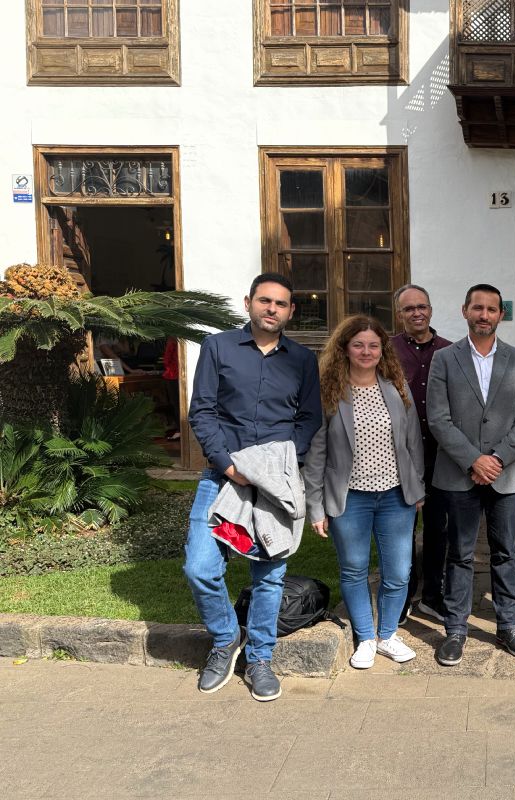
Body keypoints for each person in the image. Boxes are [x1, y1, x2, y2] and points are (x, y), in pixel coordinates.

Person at [184, 272, 321, 701]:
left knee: (269, 576)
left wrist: (278, 466)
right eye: (264, 301)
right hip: (222, 479)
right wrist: (228, 466)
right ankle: (226, 639)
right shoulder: (218, 347)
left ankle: (261, 658)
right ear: (248, 303)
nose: (271, 309)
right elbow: (202, 412)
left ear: (291, 311)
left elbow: (310, 419)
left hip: (275, 485)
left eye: (281, 304)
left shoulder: (301, 359)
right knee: (200, 567)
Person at [304, 315, 426, 670]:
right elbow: (317, 455)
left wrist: (416, 487)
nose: (366, 351)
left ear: (382, 349)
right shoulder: (329, 394)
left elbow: (412, 442)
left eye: (374, 345)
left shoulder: (395, 386)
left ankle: (387, 634)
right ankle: (365, 638)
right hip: (350, 498)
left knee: (399, 571)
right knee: (354, 569)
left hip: (395, 496)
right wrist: (316, 507)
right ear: (344, 348)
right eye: (358, 344)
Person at [426, 284, 515, 666]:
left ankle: (508, 627)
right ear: (465, 311)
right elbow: (438, 418)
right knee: (459, 554)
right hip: (459, 475)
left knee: (506, 552)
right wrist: (474, 460)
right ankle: (455, 630)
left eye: (492, 309)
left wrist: (497, 458)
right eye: (478, 308)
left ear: (501, 314)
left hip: (506, 475)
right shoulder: (444, 358)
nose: (485, 315)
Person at [390, 284, 452, 622]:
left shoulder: (450, 350)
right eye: (409, 308)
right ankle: (402, 595)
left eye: (422, 306)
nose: (417, 313)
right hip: (399, 457)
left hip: (442, 456)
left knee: (438, 529)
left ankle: (432, 595)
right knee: (401, 529)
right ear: (399, 314)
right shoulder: (387, 351)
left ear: (430, 309)